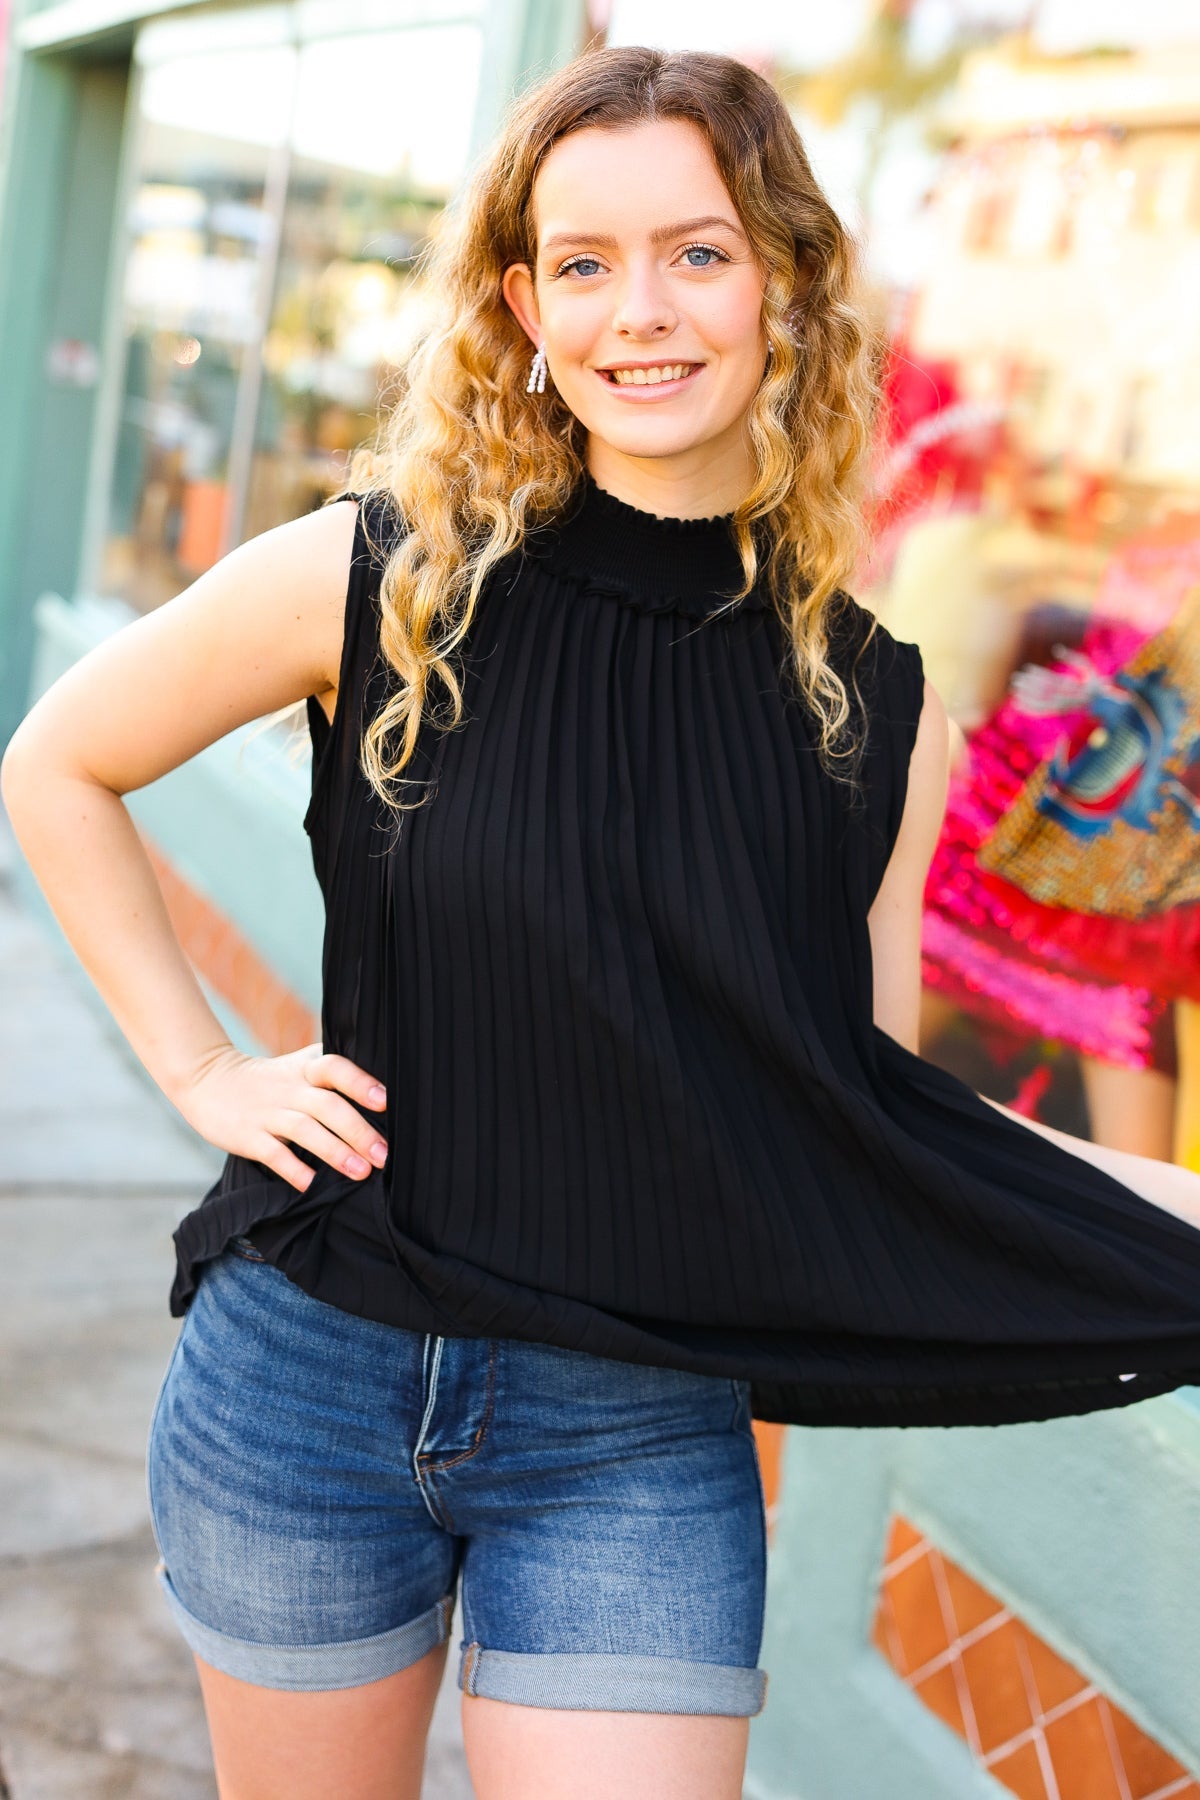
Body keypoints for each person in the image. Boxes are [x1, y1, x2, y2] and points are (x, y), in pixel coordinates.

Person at [5, 45, 1200, 1800]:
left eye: (700, 252)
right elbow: (58, 762)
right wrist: (201, 1064)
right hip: (310, 1378)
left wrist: (1161, 1215)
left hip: (633, 1429)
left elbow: (859, 1113)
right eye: (584, 262)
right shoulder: (380, 576)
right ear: (525, 302)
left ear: (786, 282)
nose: (642, 312)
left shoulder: (875, 699)